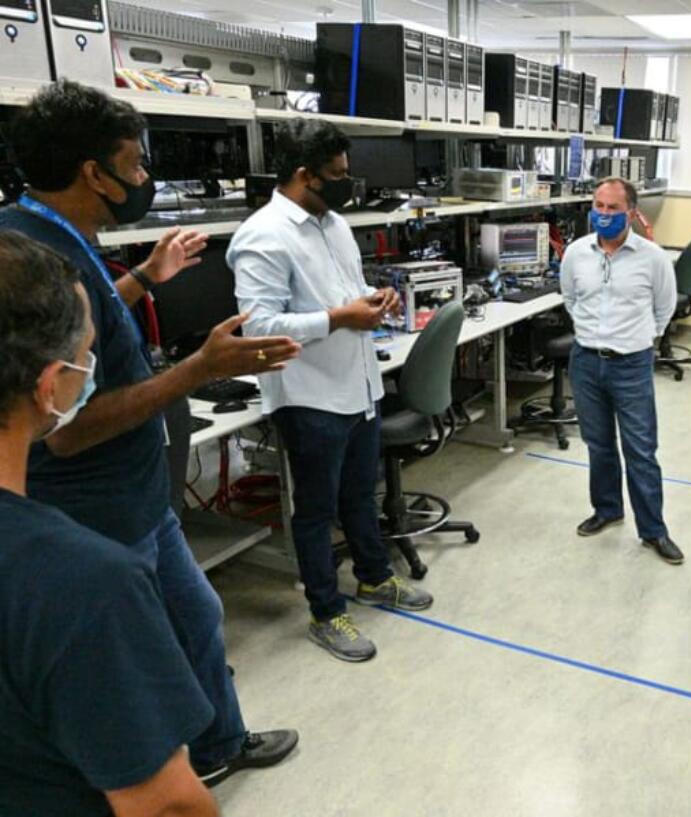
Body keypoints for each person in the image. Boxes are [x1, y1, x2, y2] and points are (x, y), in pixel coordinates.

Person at [0, 79, 300, 785]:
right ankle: (161, 769)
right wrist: (200, 366)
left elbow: (80, 332)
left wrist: (142, 276)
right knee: (153, 643)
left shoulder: (50, 236)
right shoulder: (44, 255)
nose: (143, 180)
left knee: (197, 613)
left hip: (137, 495)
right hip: (98, 505)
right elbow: (64, 429)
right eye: (134, 165)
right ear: (90, 173)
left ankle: (219, 741)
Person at [0, 232, 218, 817]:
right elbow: (169, 806)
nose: (92, 369)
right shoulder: (80, 582)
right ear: (50, 387)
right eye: (87, 355)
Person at [229, 118, 432, 663]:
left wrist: (373, 298)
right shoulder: (264, 236)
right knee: (316, 511)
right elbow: (259, 327)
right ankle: (325, 611)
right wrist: (338, 318)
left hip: (358, 385)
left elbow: (345, 290)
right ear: (303, 175)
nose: (348, 183)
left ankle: (373, 578)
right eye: (337, 174)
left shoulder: (332, 222)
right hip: (308, 396)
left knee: (360, 495)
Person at [560, 176, 681, 565]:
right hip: (586, 361)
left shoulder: (652, 257)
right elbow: (570, 298)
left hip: (631, 364)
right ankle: (607, 509)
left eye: (613, 208)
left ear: (631, 212)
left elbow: (664, 308)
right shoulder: (576, 253)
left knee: (641, 450)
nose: (604, 214)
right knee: (599, 444)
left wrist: (640, 339)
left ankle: (654, 530)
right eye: (598, 206)